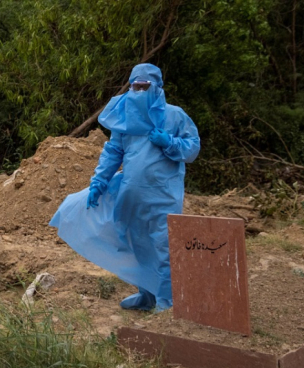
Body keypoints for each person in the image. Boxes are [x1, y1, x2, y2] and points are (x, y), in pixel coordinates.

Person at [49, 63, 200, 312]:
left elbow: (192, 148)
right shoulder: (126, 116)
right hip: (132, 193)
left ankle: (167, 301)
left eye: (145, 86)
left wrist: (169, 142)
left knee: (163, 246)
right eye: (135, 86)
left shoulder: (175, 116)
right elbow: (113, 152)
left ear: (157, 87)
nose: (139, 91)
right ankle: (147, 295)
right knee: (138, 244)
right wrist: (99, 182)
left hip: (163, 194)